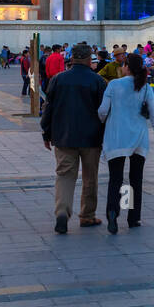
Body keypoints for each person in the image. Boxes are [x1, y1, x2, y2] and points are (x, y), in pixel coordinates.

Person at [41, 42, 108, 234]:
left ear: (71, 58)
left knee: (64, 176)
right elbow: (104, 111)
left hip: (63, 137)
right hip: (91, 138)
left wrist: (46, 133)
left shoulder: (58, 79)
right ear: (88, 59)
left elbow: (48, 108)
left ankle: (62, 212)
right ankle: (87, 215)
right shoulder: (98, 81)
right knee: (90, 177)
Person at [99, 53, 154, 234]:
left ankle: (113, 213)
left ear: (127, 67)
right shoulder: (145, 87)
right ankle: (133, 217)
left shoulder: (114, 85)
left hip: (117, 137)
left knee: (116, 178)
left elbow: (103, 111)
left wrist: (106, 120)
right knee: (135, 179)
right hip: (138, 138)